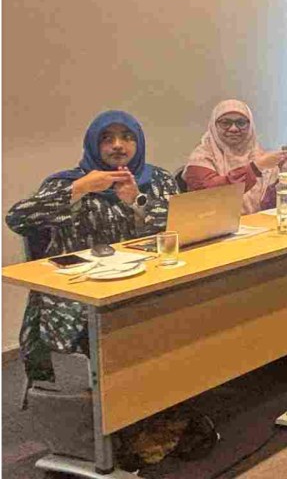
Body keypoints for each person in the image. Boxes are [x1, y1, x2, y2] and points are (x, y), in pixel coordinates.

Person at [6, 111, 178, 381]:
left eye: (127, 137)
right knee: (136, 327)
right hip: (83, 294)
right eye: (107, 138)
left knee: (191, 308)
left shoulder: (158, 180)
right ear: (93, 145)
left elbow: (178, 226)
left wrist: (137, 201)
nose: (118, 145)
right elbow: (18, 219)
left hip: (149, 283)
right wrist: (79, 189)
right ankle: (129, 398)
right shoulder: (67, 183)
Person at [185, 100, 287, 214]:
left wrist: (285, 176)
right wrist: (255, 168)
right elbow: (212, 196)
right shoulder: (201, 158)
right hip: (215, 224)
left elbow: (277, 208)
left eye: (241, 123)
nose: (233, 129)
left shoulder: (259, 155)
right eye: (225, 123)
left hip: (257, 224)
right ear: (214, 126)